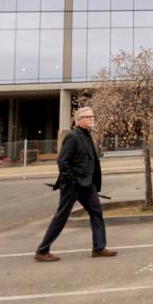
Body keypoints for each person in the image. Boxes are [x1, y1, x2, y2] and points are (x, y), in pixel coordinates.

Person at [34, 107, 117, 262]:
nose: (92, 118)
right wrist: (73, 180)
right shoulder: (73, 137)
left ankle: (99, 248)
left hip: (87, 185)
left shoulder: (87, 135)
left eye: (93, 116)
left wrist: (89, 181)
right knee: (62, 216)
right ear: (79, 120)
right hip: (73, 185)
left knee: (96, 212)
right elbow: (62, 161)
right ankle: (42, 251)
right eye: (89, 116)